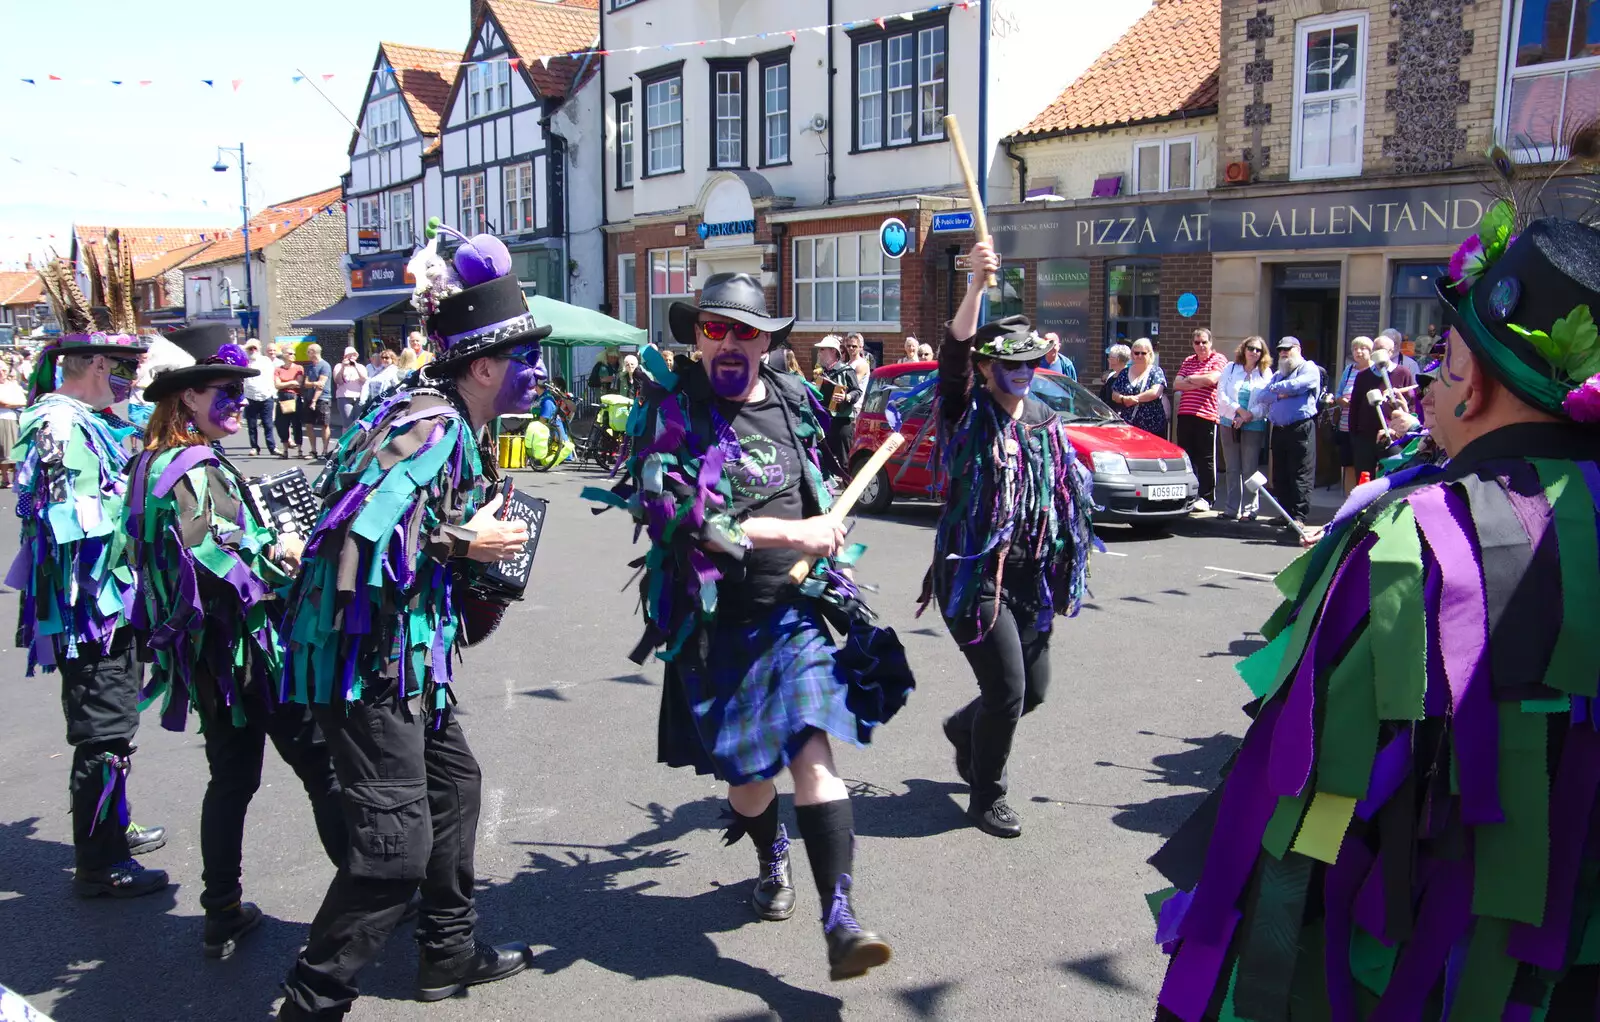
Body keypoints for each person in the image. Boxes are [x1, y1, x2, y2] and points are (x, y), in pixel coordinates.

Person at [1145, 210, 1600, 1020]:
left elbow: (1309, 804)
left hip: (1410, 964)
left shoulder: (1421, 538)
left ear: (1480, 384)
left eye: (1446, 359)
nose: (1429, 382)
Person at [585, 272, 912, 981]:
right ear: (697, 335)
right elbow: (688, 522)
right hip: (715, 628)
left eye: (746, 330)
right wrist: (798, 535)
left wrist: (829, 524)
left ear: (768, 341)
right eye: (714, 327)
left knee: (813, 757)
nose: (730, 342)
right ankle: (768, 848)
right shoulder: (674, 414)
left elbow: (816, 484)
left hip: (792, 618)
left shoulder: (794, 402)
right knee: (749, 786)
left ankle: (841, 920)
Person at [274, 228, 540, 1021]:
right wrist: (472, 540)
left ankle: (445, 954)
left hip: (401, 656)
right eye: (526, 357)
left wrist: (473, 554)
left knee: (455, 788)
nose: (539, 372)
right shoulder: (432, 423)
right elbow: (359, 532)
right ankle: (311, 1002)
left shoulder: (442, 419)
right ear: (485, 366)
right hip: (363, 665)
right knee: (393, 853)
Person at [122, 325, 343, 958]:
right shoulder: (193, 465)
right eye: (225, 391)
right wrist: (285, 560)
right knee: (320, 766)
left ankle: (220, 907)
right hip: (247, 652)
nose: (239, 402)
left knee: (232, 779)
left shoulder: (149, 463)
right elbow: (213, 557)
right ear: (186, 398)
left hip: (205, 655)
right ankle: (373, 890)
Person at [11, 261, 167, 898]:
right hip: (88, 610)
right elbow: (67, 522)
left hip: (113, 600)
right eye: (120, 369)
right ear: (95, 365)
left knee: (116, 724)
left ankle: (113, 828)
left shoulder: (91, 422)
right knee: (103, 732)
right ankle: (100, 864)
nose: (127, 383)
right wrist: (146, 516)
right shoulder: (57, 425)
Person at [933, 240, 1094, 840]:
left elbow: (1058, 502)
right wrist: (975, 284)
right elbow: (951, 358)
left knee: (1035, 691)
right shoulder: (965, 413)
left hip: (1027, 579)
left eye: (1032, 364)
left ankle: (962, 729)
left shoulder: (1044, 422)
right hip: (975, 573)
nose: (1023, 375)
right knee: (1005, 690)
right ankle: (987, 795)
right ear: (985, 368)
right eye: (1012, 364)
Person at [1263, 336, 1321, 529]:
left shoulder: (1309, 368)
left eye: (1288, 349)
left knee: (1300, 473)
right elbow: (1263, 395)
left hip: (1300, 428)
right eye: (1280, 350)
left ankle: (1299, 516)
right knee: (1280, 474)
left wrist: (1278, 390)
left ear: (1298, 348)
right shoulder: (1279, 373)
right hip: (1279, 430)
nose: (1283, 353)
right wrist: (1282, 391)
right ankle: (1284, 513)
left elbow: (1299, 384)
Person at [1215, 337, 1272, 520]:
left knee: (1250, 468)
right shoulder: (1231, 368)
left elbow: (1266, 401)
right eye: (1251, 348)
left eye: (1258, 350)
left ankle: (1250, 509)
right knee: (1232, 467)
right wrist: (1238, 411)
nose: (1254, 352)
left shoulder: (1265, 373)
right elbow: (1221, 395)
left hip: (1253, 424)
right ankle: (1231, 508)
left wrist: (1249, 415)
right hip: (1229, 423)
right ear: (1244, 349)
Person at [1172, 328, 1228, 511]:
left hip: (1206, 415)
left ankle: (1206, 497)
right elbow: (1176, 384)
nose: (1201, 346)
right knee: (1187, 456)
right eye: (1197, 342)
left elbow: (1212, 379)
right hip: (1185, 414)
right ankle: (1189, 494)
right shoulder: (1188, 360)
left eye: (1204, 342)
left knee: (1206, 458)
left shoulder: (1218, 359)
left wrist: (1189, 379)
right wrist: (1197, 380)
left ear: (1210, 343)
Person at [1350, 339, 1417, 481]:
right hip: (1365, 436)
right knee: (1364, 477)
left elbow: (1411, 404)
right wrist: (1354, 434)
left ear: (1392, 352)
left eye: (1383, 349)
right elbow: (1354, 406)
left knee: (1390, 477)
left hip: (1391, 436)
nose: (1378, 353)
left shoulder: (1403, 373)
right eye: (1376, 349)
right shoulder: (1363, 376)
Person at [813, 335, 863, 476]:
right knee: (824, 458)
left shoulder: (846, 370)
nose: (819, 353)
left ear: (833, 352)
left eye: (822, 349)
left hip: (842, 421)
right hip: (824, 420)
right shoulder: (820, 373)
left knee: (845, 460)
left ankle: (850, 490)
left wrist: (846, 397)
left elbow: (857, 391)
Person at [1332, 336, 1373, 493]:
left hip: (1364, 427)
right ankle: (1350, 499)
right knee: (1348, 464)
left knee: (1364, 465)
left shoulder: (1374, 371)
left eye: (1362, 348)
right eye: (1355, 349)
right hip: (1345, 425)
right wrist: (1341, 400)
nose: (1358, 352)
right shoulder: (1348, 370)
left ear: (1371, 351)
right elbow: (1338, 393)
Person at [1109, 338, 1168, 436]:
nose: (1139, 356)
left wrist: (1134, 399)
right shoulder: (1124, 372)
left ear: (1150, 354)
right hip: (1128, 428)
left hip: (1152, 428)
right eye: (1136, 353)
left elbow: (1155, 392)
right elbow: (1114, 394)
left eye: (1143, 353)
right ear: (1132, 355)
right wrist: (1124, 399)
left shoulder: (1156, 371)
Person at [242, 339, 279, 456]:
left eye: (254, 348)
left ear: (259, 348)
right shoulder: (244, 362)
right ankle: (254, 447)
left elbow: (272, 377)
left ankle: (272, 447)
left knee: (268, 424)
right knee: (252, 425)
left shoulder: (265, 361)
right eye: (250, 348)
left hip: (266, 396)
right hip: (250, 397)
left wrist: (272, 393)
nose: (252, 350)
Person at [301, 343, 333, 460]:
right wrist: (314, 383)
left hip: (322, 399)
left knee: (324, 424)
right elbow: (306, 383)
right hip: (309, 398)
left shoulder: (325, 366)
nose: (307, 354)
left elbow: (321, 385)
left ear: (313, 352)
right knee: (309, 424)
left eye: (308, 352)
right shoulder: (309, 367)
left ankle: (325, 451)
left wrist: (314, 400)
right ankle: (313, 450)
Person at [272, 347, 304, 457]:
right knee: (281, 424)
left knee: (297, 424)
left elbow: (298, 383)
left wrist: (284, 383)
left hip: (294, 397)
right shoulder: (278, 369)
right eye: (290, 353)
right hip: (282, 398)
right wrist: (291, 382)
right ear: (284, 355)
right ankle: (285, 450)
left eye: (294, 353)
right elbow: (277, 385)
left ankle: (300, 450)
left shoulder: (299, 368)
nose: (293, 355)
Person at [0, 364, 26, 487]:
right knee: (4, 450)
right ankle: (5, 478)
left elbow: (23, 400)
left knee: (17, 448)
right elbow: (4, 403)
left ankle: (17, 477)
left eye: (4, 370)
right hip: (3, 419)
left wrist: (14, 403)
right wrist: (15, 403)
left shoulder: (13, 386)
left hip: (16, 418)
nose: (2, 373)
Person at [331, 346, 367, 432]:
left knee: (357, 422)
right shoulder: (338, 366)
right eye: (349, 355)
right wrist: (343, 367)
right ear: (344, 356)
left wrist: (355, 366)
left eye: (353, 355)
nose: (351, 357)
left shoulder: (361, 367)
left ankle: (356, 443)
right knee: (348, 423)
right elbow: (338, 381)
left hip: (359, 397)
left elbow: (364, 379)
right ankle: (346, 444)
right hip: (344, 397)